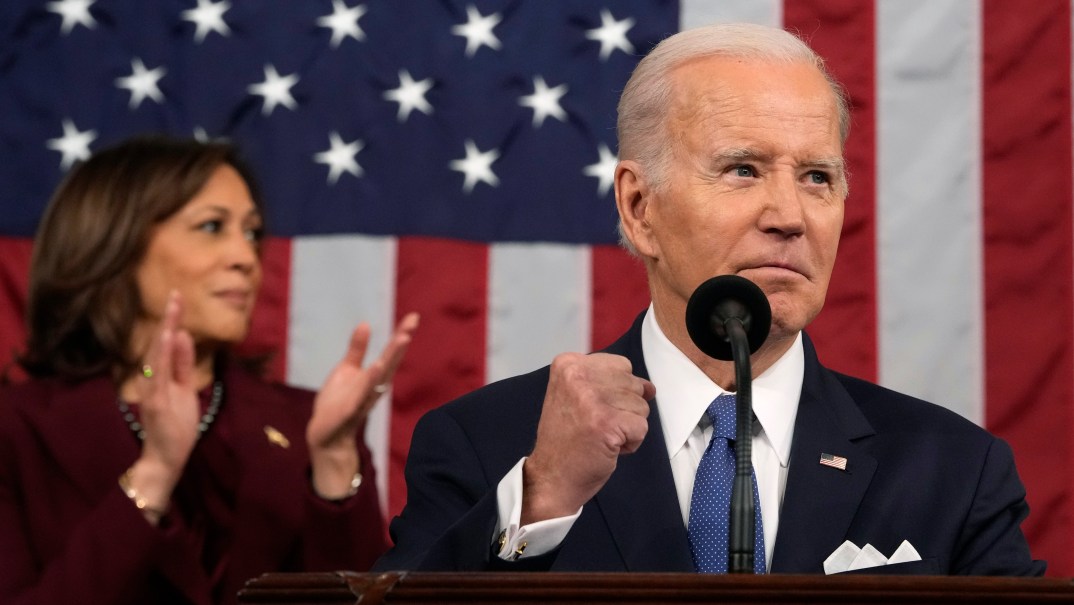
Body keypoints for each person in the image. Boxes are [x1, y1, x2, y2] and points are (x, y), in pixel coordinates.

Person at [374, 22, 1045, 575]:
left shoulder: (953, 470)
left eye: (817, 176)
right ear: (639, 208)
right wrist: (544, 499)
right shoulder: (487, 444)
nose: (789, 214)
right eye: (743, 169)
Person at [0, 135, 420, 604]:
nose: (246, 257)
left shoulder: (308, 426)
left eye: (252, 232)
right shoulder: (19, 428)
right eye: (212, 226)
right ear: (115, 241)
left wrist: (336, 459)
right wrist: (154, 474)